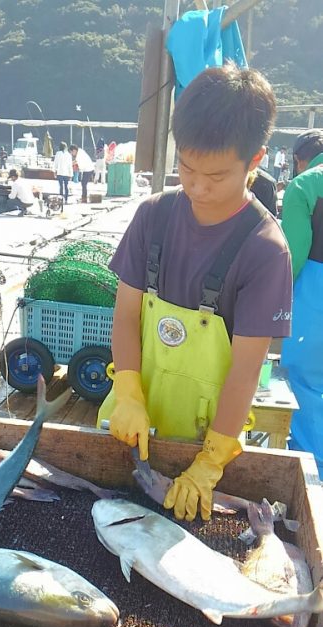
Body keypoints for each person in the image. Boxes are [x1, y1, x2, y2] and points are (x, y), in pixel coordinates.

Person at [97, 64, 292, 522]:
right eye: (186, 167)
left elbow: (246, 371)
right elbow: (125, 316)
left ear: (255, 161)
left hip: (205, 438)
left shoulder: (264, 251)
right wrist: (127, 391)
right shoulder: (152, 217)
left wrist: (211, 461)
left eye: (218, 176)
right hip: (129, 428)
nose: (198, 187)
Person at [280, 129, 323, 476]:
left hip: (315, 298)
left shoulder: (306, 185)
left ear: (299, 159)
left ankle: (312, 475)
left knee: (306, 384)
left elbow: (291, 257)